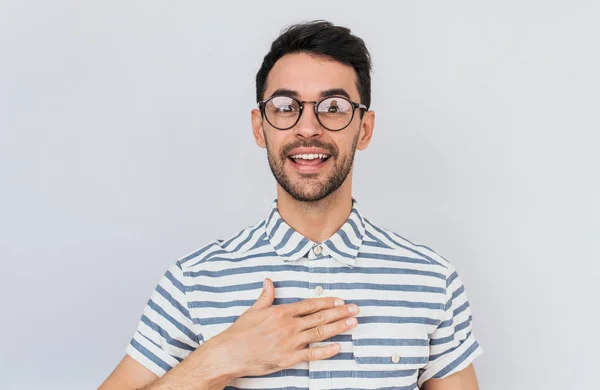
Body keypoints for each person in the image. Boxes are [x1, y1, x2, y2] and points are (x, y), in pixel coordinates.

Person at [99, 20, 482, 390]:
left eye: (333, 107)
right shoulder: (193, 282)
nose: (308, 127)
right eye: (286, 106)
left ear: (364, 129)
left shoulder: (432, 280)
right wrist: (221, 359)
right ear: (259, 127)